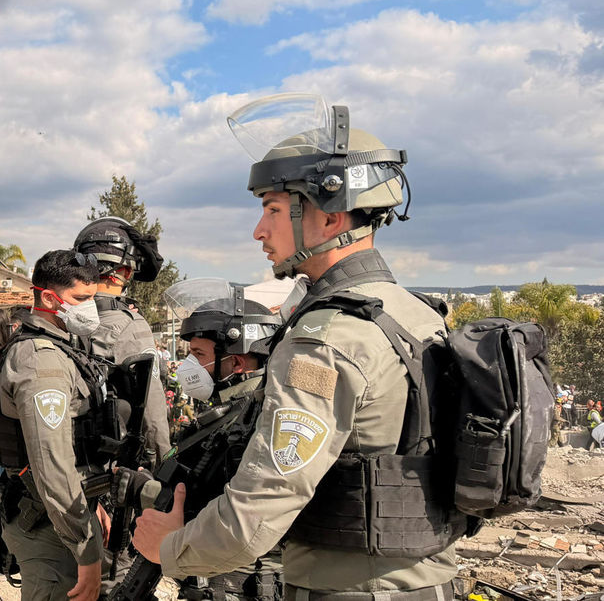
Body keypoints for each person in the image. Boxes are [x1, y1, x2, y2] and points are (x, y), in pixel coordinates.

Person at [132, 93, 460, 597]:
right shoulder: (417, 314)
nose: (259, 230)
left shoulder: (326, 339)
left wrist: (171, 547)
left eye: (273, 209)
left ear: (330, 217)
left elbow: (264, 503)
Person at [114, 279, 284, 601]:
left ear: (236, 362)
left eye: (198, 354)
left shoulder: (251, 421)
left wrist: (143, 490)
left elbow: (217, 510)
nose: (188, 365)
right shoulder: (230, 412)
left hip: (239, 585)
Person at [0, 250, 111, 601]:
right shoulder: (42, 362)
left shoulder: (60, 347)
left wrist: (91, 503)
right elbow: (52, 466)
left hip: (62, 515)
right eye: (81, 299)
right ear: (48, 298)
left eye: (92, 298)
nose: (90, 308)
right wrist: (86, 549)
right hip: (48, 525)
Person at [72, 216, 173, 465]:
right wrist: (163, 465)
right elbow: (152, 408)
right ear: (125, 271)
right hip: (101, 466)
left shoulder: (58, 314)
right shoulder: (129, 324)